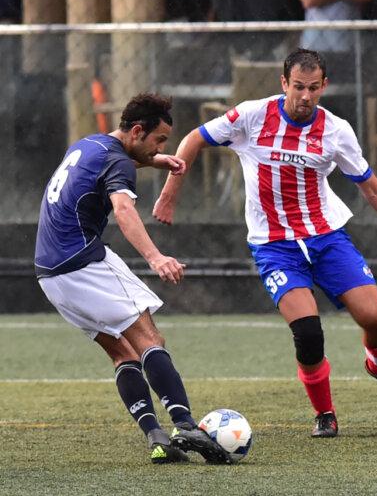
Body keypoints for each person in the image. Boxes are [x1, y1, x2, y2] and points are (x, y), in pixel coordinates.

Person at [152, 49, 377, 438]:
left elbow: (373, 189)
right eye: (298, 87)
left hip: (327, 238)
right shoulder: (252, 115)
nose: (305, 96)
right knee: (309, 332)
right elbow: (193, 139)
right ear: (284, 84)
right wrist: (170, 193)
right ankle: (325, 414)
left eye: (313, 88)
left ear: (324, 86)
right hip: (274, 247)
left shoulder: (336, 130)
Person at [34, 94, 232, 464]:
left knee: (121, 352)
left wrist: (156, 160)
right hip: (83, 261)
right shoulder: (119, 163)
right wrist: (156, 257)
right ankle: (185, 424)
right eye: (159, 140)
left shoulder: (89, 144)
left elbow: (110, 164)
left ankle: (158, 438)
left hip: (49, 274)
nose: (162, 147)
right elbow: (123, 209)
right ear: (137, 131)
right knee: (148, 338)